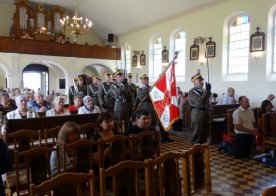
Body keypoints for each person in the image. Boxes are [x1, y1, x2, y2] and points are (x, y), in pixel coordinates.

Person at [188, 71, 212, 189]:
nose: (202, 82)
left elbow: (207, 101)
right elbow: (198, 102)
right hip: (197, 116)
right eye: (200, 80)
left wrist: (207, 92)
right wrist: (207, 92)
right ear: (194, 82)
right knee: (196, 138)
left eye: (202, 80)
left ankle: (201, 153)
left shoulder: (203, 91)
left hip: (205, 116)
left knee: (203, 138)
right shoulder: (191, 92)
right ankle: (195, 154)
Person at [135, 74, 173, 142]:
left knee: (153, 124)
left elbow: (156, 96)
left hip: (153, 109)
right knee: (144, 125)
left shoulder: (152, 88)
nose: (146, 80)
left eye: (147, 79)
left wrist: (150, 95)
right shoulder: (140, 90)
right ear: (141, 81)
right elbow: (142, 98)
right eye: (144, 79)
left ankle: (152, 138)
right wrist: (149, 95)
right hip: (144, 109)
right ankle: (144, 138)